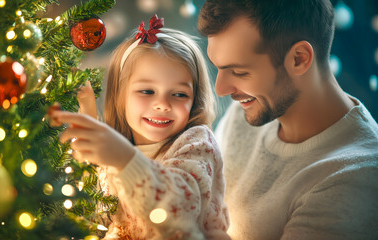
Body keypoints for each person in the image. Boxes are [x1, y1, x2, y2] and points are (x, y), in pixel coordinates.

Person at [197, 0, 378, 239]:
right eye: (218, 68)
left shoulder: (354, 179)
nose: (220, 89)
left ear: (299, 59)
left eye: (239, 72)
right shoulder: (249, 110)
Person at [49, 15, 230, 240]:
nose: (163, 104)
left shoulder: (197, 143)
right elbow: (96, 200)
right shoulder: (121, 146)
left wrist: (126, 160)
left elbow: (181, 206)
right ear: (119, 96)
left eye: (179, 94)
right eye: (147, 91)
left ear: (195, 100)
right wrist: (87, 111)